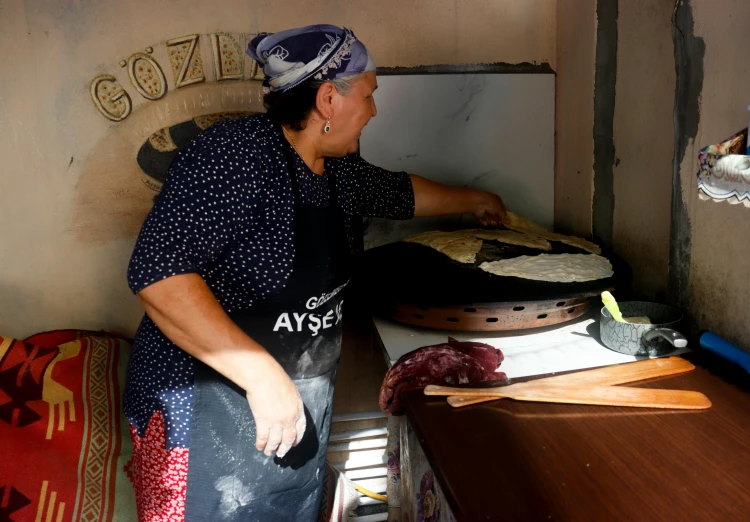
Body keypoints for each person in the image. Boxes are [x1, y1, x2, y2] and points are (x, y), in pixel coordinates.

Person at [124, 24, 508, 521]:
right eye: (368, 95)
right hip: (205, 413)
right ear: (328, 99)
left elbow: (399, 193)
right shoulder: (234, 157)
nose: (373, 110)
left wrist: (477, 199)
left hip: (300, 397)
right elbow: (158, 273)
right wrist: (261, 374)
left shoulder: (338, 169)